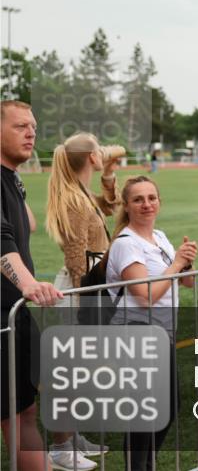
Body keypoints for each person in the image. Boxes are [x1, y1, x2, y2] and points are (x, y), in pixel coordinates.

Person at [105, 176, 197, 471]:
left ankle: (144, 465)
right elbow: (145, 296)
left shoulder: (159, 236)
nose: (146, 204)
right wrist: (176, 264)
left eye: (151, 198)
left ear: (159, 202)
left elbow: (186, 282)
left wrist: (186, 262)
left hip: (160, 331)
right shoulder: (126, 244)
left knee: (167, 407)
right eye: (138, 199)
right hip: (135, 331)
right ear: (126, 206)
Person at [45, 133, 122, 469]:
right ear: (91, 157)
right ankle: (60, 448)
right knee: (69, 375)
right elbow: (77, 259)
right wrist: (89, 302)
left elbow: (109, 207)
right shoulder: (74, 201)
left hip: (87, 289)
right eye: (98, 147)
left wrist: (110, 174)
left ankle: (72, 437)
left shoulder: (80, 193)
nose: (103, 150)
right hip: (80, 292)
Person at [1, 100, 64, 471]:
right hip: (5, 315)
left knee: (24, 409)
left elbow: (28, 225)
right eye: (20, 126)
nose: (31, 134)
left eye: (34, 128)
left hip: (17, 314)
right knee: (14, 412)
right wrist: (27, 283)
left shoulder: (11, 177)